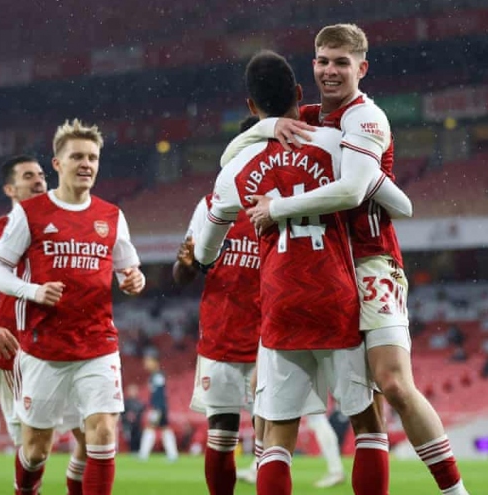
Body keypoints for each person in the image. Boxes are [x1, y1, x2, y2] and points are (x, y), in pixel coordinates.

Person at [222, 24, 469, 495]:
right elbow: (233, 153)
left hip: (371, 262)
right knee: (344, 411)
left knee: (393, 385)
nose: (330, 71)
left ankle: (455, 492)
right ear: (312, 65)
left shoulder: (366, 118)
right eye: (322, 61)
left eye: (341, 62)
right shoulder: (309, 117)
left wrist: (277, 207)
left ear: (362, 68)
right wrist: (268, 126)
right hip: (323, 269)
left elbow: (354, 190)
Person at [196, 49, 400, 495]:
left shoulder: (235, 169)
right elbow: (385, 196)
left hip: (280, 304)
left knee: (277, 437)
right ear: (300, 93)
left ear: (251, 106)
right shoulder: (336, 144)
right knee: (368, 424)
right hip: (335, 296)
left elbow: (206, 249)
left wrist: (210, 254)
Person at [0, 119, 146, 495]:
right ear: (57, 164)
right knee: (36, 450)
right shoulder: (31, 213)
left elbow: (130, 269)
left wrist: (134, 280)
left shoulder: (111, 215)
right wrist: (32, 291)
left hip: (98, 345)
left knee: (103, 434)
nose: (86, 164)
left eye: (92, 157)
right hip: (44, 349)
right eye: (77, 156)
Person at [0, 155, 91, 495]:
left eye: (41, 174)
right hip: (16, 354)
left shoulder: (63, 227)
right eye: (28, 176)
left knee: (94, 435)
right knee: (34, 450)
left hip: (64, 348)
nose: (39, 180)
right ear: (10, 189)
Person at [174, 123, 261, 494]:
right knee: (222, 433)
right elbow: (183, 273)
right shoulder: (213, 204)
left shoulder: (288, 204)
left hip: (271, 340)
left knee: (271, 436)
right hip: (220, 336)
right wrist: (186, 263)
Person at [138, 354, 179, 462]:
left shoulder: (158, 376)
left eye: (148, 361)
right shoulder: (154, 376)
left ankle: (143, 454)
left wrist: (157, 408)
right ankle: (173, 454)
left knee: (150, 427)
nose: (146, 364)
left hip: (158, 407)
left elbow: (159, 393)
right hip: (161, 407)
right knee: (165, 429)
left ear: (155, 362)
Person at [122, 384, 145, 453]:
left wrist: (135, 416)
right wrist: (127, 416)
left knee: (138, 436)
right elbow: (121, 415)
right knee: (129, 437)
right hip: (127, 426)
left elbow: (142, 413)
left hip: (137, 426)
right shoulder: (124, 403)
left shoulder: (140, 403)